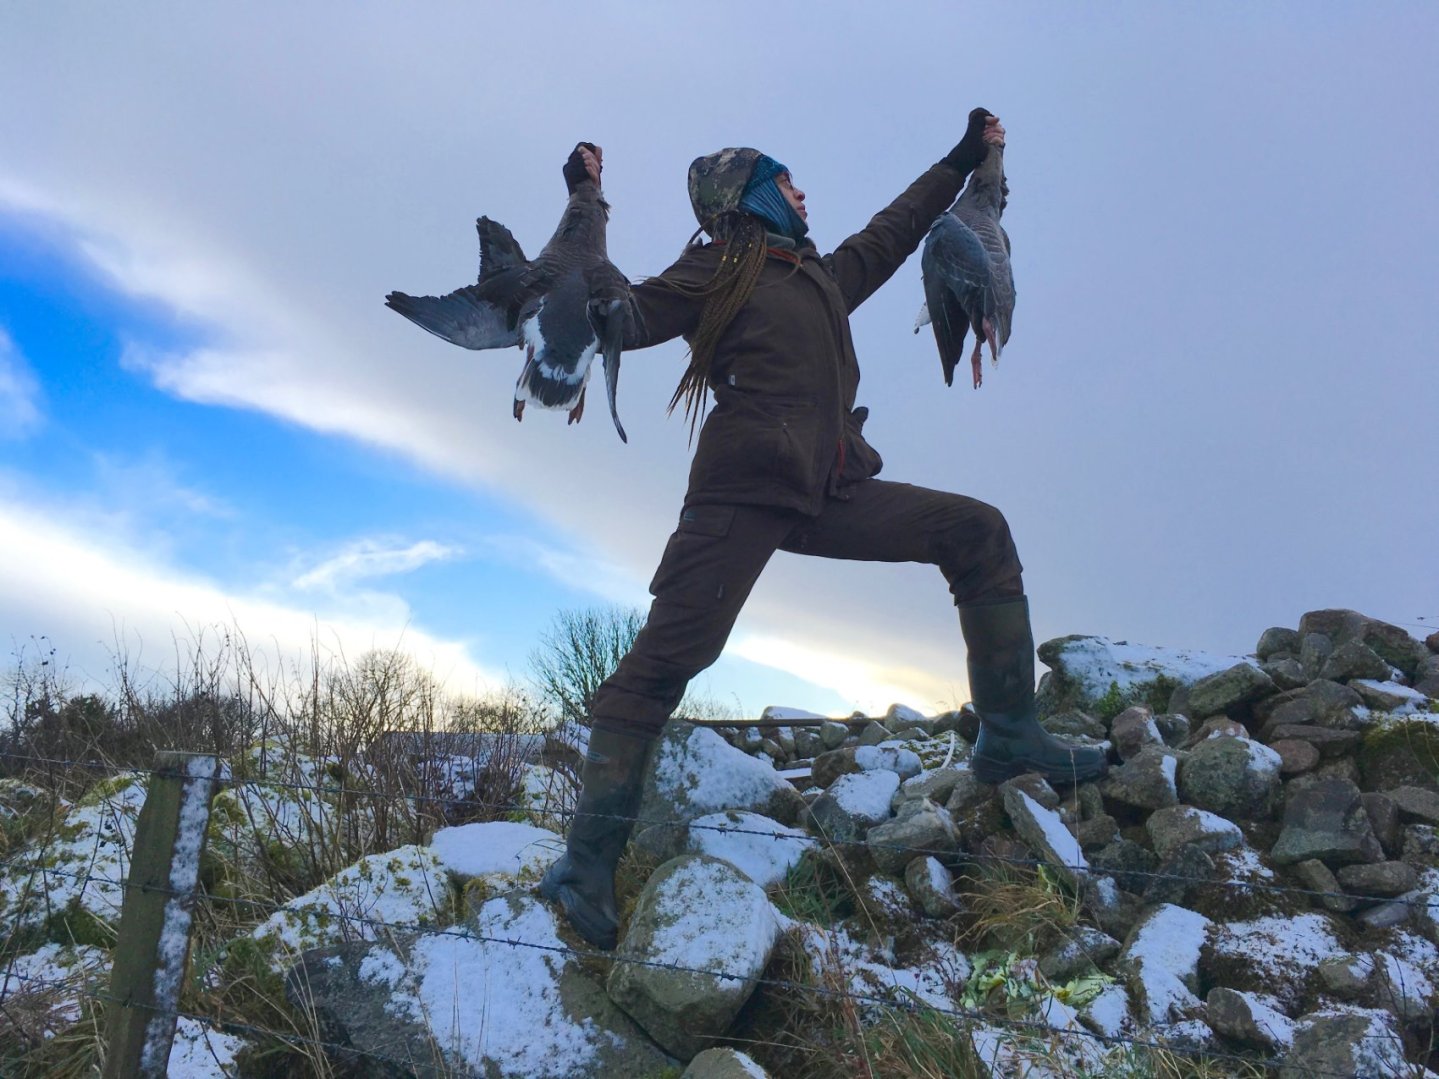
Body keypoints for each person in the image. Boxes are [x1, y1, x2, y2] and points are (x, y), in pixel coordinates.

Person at [540, 110, 1107, 950]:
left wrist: (960, 157)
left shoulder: (818, 276)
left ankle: (1007, 734)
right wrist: (587, 213)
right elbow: (628, 314)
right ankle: (584, 863)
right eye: (784, 179)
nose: (801, 190)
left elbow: (896, 227)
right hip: (740, 495)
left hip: (831, 484)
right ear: (749, 196)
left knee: (977, 531)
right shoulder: (712, 272)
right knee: (667, 660)